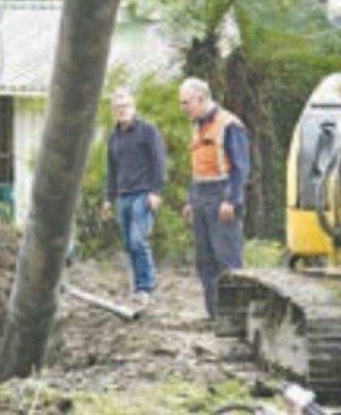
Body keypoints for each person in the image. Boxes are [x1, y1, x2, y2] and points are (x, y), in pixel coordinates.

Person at [179, 77, 251, 319]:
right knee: (205, 259)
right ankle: (214, 313)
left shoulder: (229, 124)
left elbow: (240, 168)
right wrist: (191, 200)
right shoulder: (198, 126)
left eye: (186, 103)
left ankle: (236, 316)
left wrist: (231, 200)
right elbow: (198, 166)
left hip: (222, 195)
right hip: (201, 194)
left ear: (201, 98)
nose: (184, 108)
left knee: (226, 258)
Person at [101, 88, 167, 306]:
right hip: (123, 195)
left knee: (139, 240)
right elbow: (112, 170)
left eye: (125, 106)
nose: (122, 111)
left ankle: (146, 288)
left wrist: (156, 191)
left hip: (143, 193)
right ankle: (137, 286)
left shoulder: (148, 131)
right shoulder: (113, 137)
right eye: (118, 108)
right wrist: (108, 199)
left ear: (133, 107)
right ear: (113, 111)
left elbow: (159, 162)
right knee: (129, 244)